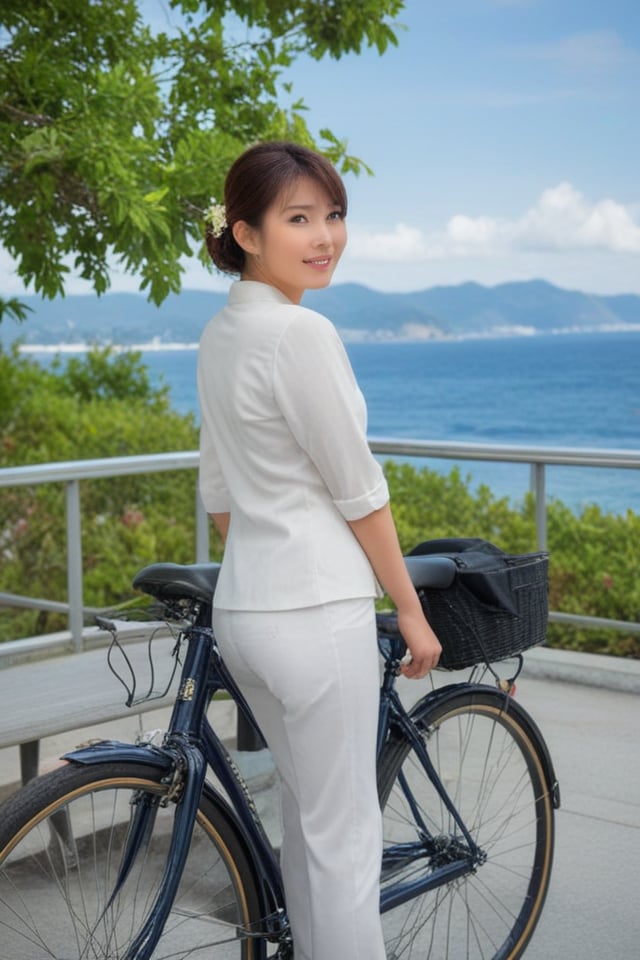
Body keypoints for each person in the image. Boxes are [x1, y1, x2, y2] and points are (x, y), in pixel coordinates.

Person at [197, 141, 441, 960]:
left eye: (333, 215)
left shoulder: (220, 334)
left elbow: (221, 496)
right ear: (247, 232)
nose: (324, 235)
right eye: (298, 218)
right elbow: (359, 489)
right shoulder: (301, 334)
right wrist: (409, 610)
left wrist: (266, 559)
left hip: (246, 615)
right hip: (316, 616)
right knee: (343, 846)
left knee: (306, 824)